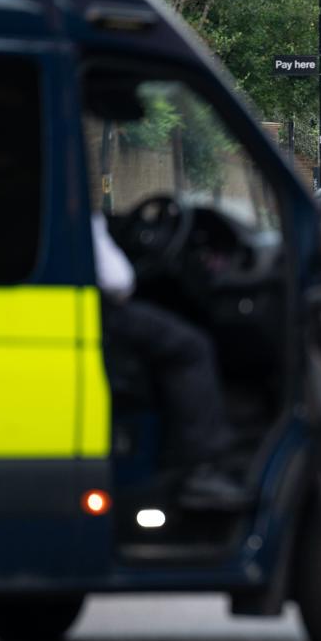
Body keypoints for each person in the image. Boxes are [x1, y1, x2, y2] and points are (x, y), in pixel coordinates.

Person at [93, 214, 248, 511]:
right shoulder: (78, 209)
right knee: (192, 349)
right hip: (102, 314)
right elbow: (118, 281)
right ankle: (203, 465)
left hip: (86, 311)